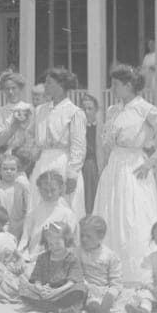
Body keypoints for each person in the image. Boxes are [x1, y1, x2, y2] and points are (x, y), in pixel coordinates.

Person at [93, 63, 157, 282]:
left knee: (133, 217)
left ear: (129, 85)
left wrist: (151, 161)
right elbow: (107, 142)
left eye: (116, 84)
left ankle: (137, 273)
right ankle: (107, 271)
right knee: (111, 214)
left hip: (134, 167)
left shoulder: (145, 108)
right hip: (114, 167)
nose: (112, 88)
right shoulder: (114, 110)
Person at [30, 68, 88, 219]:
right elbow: (36, 140)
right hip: (43, 162)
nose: (45, 86)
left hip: (63, 161)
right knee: (39, 203)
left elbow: (78, 146)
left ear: (61, 85)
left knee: (65, 206)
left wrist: (72, 174)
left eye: (49, 83)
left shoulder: (74, 112)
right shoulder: (40, 110)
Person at [18, 222, 87, 313]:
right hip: (45, 289)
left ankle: (48, 307)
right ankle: (57, 309)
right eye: (51, 244)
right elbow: (37, 278)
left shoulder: (72, 259)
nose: (54, 247)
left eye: (57, 243)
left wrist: (55, 292)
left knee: (80, 289)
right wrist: (40, 289)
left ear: (66, 240)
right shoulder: (42, 258)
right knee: (24, 286)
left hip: (63, 291)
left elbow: (72, 281)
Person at [18, 169, 78, 261]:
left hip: (58, 259)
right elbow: (25, 240)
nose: (49, 194)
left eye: (53, 190)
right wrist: (23, 258)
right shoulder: (33, 213)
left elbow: (69, 243)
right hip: (33, 259)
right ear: (39, 190)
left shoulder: (68, 214)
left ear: (60, 189)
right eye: (45, 190)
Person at [77, 215, 122, 313]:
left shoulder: (110, 255)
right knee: (89, 298)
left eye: (88, 236)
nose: (84, 239)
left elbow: (116, 280)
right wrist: (87, 285)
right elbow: (77, 272)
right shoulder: (78, 252)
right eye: (82, 235)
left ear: (100, 237)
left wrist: (111, 292)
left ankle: (107, 303)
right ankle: (97, 309)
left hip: (105, 288)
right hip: (87, 287)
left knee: (114, 291)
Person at [0, 155, 29, 240]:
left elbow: (28, 209)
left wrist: (20, 224)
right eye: (5, 169)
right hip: (0, 228)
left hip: (19, 227)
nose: (9, 171)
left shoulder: (22, 188)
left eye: (12, 169)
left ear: (18, 170)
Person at [80, 93, 100, 213]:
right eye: (84, 109)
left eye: (90, 108)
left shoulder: (102, 127)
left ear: (96, 110)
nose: (86, 112)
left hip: (98, 165)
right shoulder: (77, 127)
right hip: (84, 165)